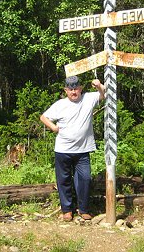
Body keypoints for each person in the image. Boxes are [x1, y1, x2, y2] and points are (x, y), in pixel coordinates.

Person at [40, 75, 105, 221]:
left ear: (80, 89)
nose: (73, 92)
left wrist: (99, 85)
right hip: (63, 150)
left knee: (85, 179)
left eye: (76, 89)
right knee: (63, 180)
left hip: (83, 150)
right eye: (70, 89)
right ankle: (67, 210)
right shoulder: (60, 104)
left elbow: (104, 95)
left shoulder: (88, 98)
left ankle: (83, 209)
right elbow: (44, 117)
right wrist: (53, 128)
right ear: (66, 90)